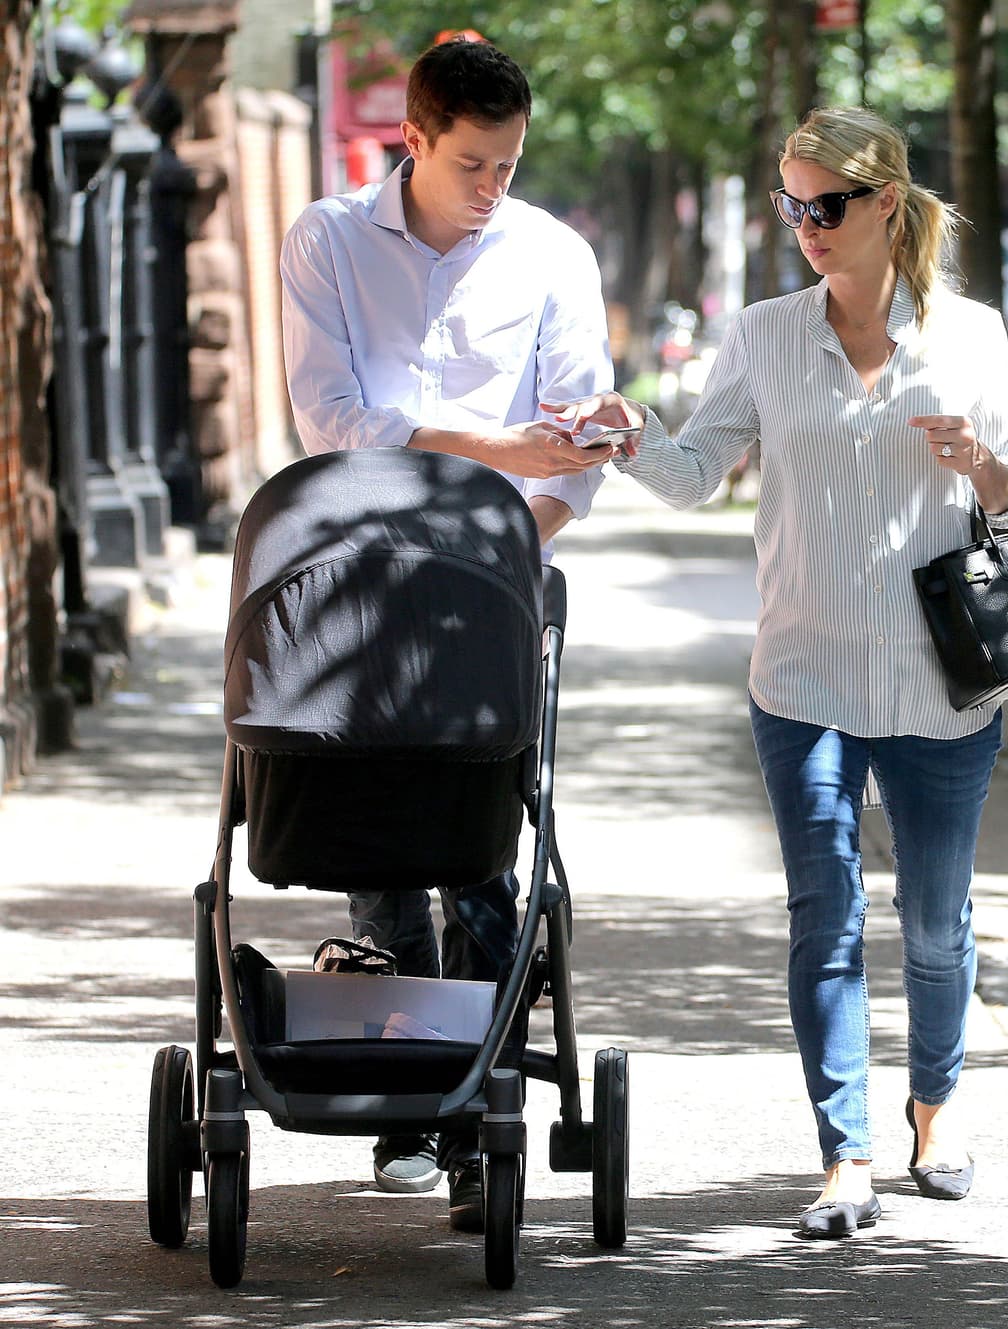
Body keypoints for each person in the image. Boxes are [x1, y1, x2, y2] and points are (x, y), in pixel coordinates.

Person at [548, 106, 1008, 1238]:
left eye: (826, 205)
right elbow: (695, 471)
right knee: (824, 919)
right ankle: (844, 1154)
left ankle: (935, 1106)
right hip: (801, 677)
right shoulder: (764, 334)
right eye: (789, 205)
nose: (805, 226)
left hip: (939, 686)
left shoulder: (969, 335)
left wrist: (980, 467)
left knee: (933, 921)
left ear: (885, 205)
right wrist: (626, 433)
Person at [279, 36, 617, 1227]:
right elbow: (332, 421)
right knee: (375, 831)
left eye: (510, 164)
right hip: (355, 582)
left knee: (477, 838)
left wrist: (559, 473)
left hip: (493, 588)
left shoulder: (551, 256)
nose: (492, 189)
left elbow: (573, 457)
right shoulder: (327, 240)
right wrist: (496, 446)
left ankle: (475, 1106)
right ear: (410, 140)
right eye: (472, 162)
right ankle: (399, 1097)